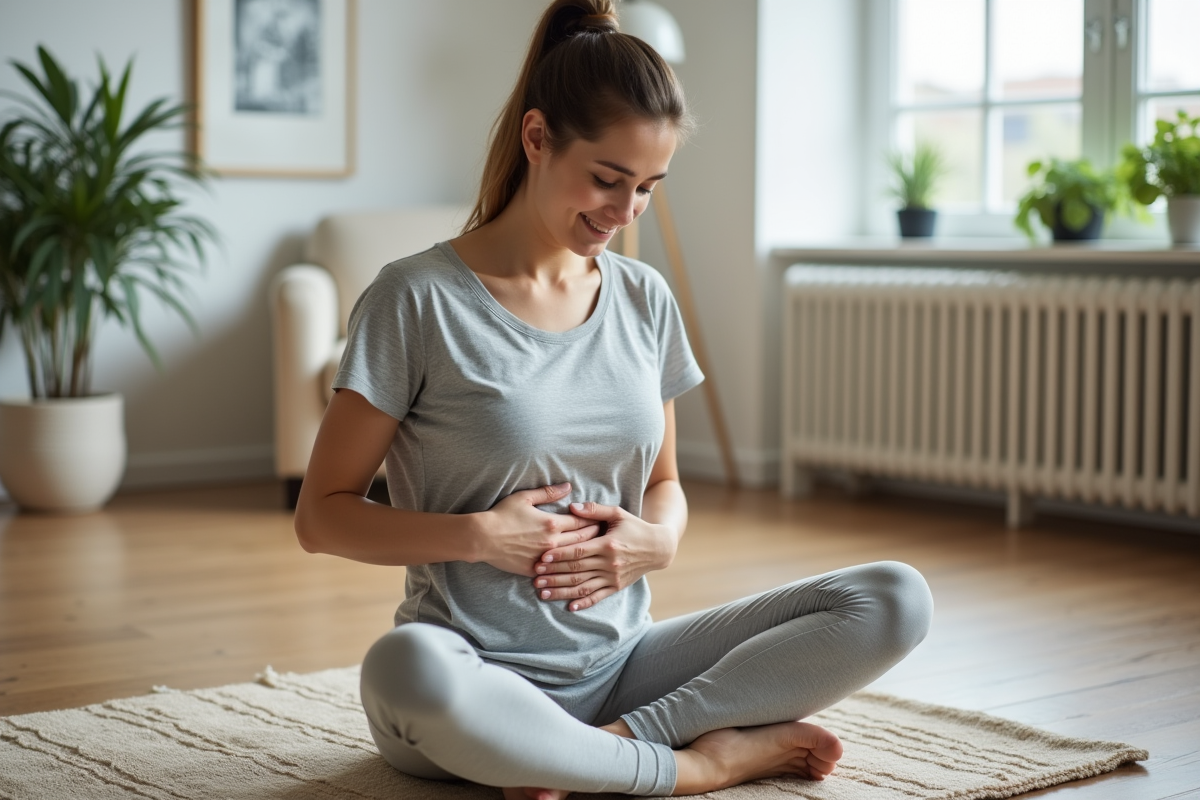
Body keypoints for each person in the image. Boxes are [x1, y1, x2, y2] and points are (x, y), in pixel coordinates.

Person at [293, 1, 934, 797]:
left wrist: (656, 542)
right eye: (607, 179)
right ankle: (699, 765)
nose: (625, 212)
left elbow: (664, 485)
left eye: (648, 188)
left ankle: (615, 747)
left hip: (625, 668)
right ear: (537, 138)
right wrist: (479, 537)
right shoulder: (415, 299)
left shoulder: (643, 299)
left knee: (894, 598)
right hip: (470, 673)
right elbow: (321, 515)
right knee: (402, 670)